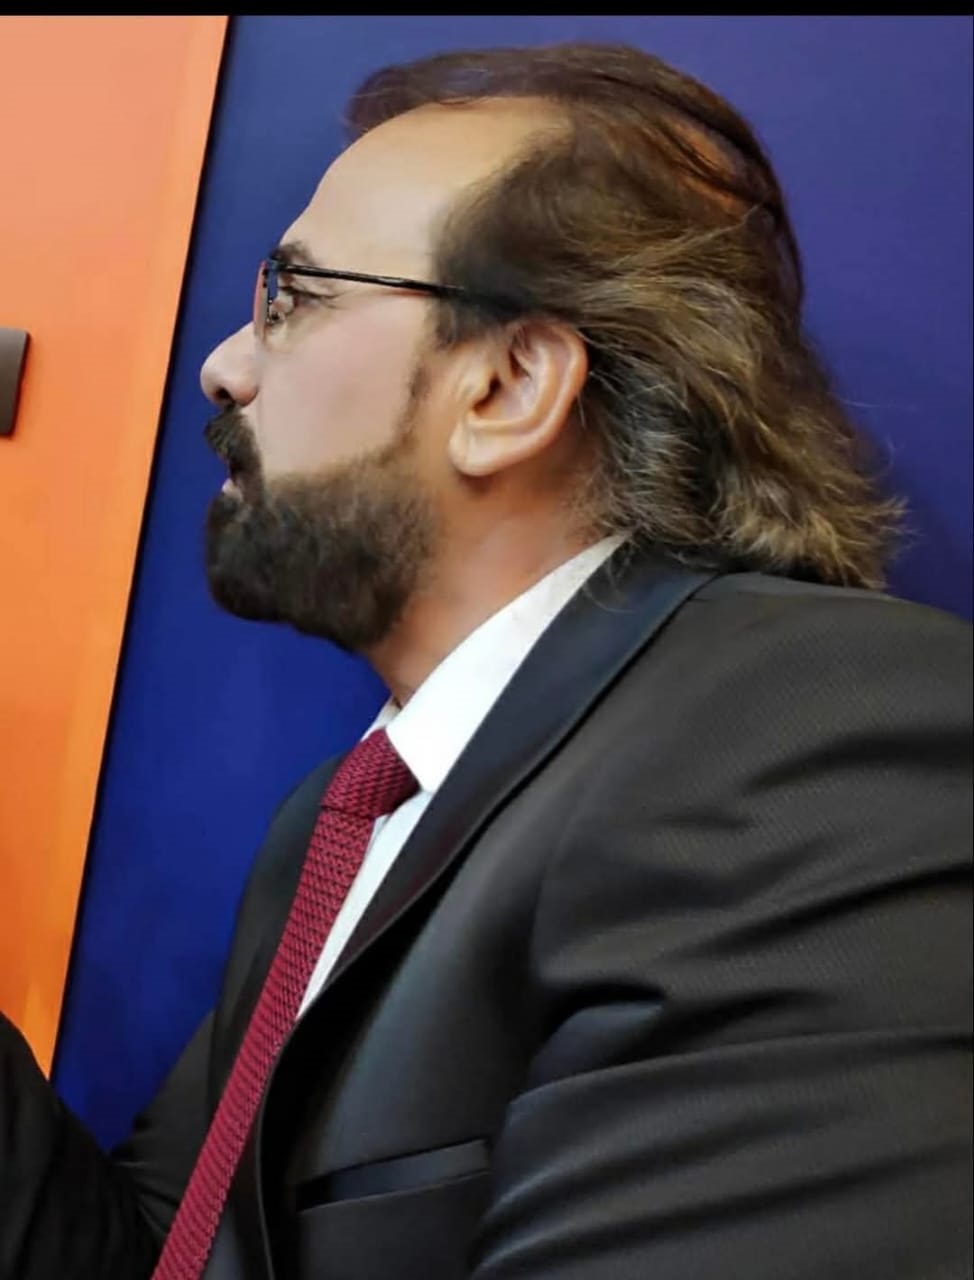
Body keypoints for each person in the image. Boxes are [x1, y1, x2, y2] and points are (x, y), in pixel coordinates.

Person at [1, 39, 971, 1280]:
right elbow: (162, 1254)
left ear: (507, 386)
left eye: (291, 297)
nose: (226, 365)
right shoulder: (339, 823)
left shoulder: (813, 741)